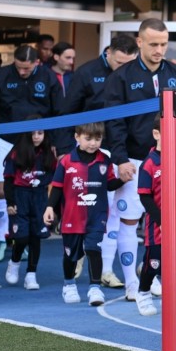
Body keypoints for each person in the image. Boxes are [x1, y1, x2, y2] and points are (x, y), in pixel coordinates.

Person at [105, 19, 176, 301]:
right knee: (129, 221)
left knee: (166, 224)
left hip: (169, 161)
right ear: (139, 42)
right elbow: (114, 122)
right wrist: (120, 159)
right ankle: (131, 283)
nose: (159, 49)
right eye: (153, 44)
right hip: (134, 159)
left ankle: (150, 278)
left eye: (163, 44)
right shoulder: (121, 77)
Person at [57, 35, 138, 289]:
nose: (124, 68)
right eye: (120, 62)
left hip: (123, 151)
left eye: (130, 63)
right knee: (87, 209)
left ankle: (106, 269)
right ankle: (81, 253)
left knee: (114, 214)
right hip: (92, 151)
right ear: (109, 52)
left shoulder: (136, 74)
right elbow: (68, 110)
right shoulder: (87, 72)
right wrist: (63, 149)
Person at [0, 45, 62, 263]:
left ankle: (22, 238)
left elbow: (59, 111)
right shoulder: (0, 76)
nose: (22, 72)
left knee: (30, 190)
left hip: (36, 142)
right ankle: (1, 238)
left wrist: (56, 143)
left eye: (27, 68)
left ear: (37, 63)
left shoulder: (48, 78)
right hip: (5, 140)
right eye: (19, 67)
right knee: (2, 191)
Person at [44, 122, 124, 306]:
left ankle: (95, 288)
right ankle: (69, 285)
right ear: (77, 137)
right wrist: (49, 207)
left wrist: (122, 180)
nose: (93, 143)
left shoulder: (105, 160)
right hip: (72, 217)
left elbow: (109, 184)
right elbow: (56, 188)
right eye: (88, 139)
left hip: (97, 215)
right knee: (71, 254)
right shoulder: (66, 161)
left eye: (97, 139)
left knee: (93, 249)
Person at [134, 114, 176, 317]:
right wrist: (162, 221)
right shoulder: (149, 165)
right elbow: (145, 198)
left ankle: (172, 303)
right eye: (172, 137)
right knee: (154, 265)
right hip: (158, 229)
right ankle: (143, 292)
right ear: (156, 134)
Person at [3, 125, 57, 290]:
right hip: (20, 197)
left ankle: (31, 275)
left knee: (36, 238)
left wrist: (50, 205)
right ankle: (14, 261)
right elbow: (8, 180)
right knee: (21, 237)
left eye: (40, 132)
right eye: (33, 133)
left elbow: (53, 178)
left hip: (39, 198)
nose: (36, 136)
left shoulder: (48, 153)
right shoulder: (16, 152)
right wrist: (10, 202)